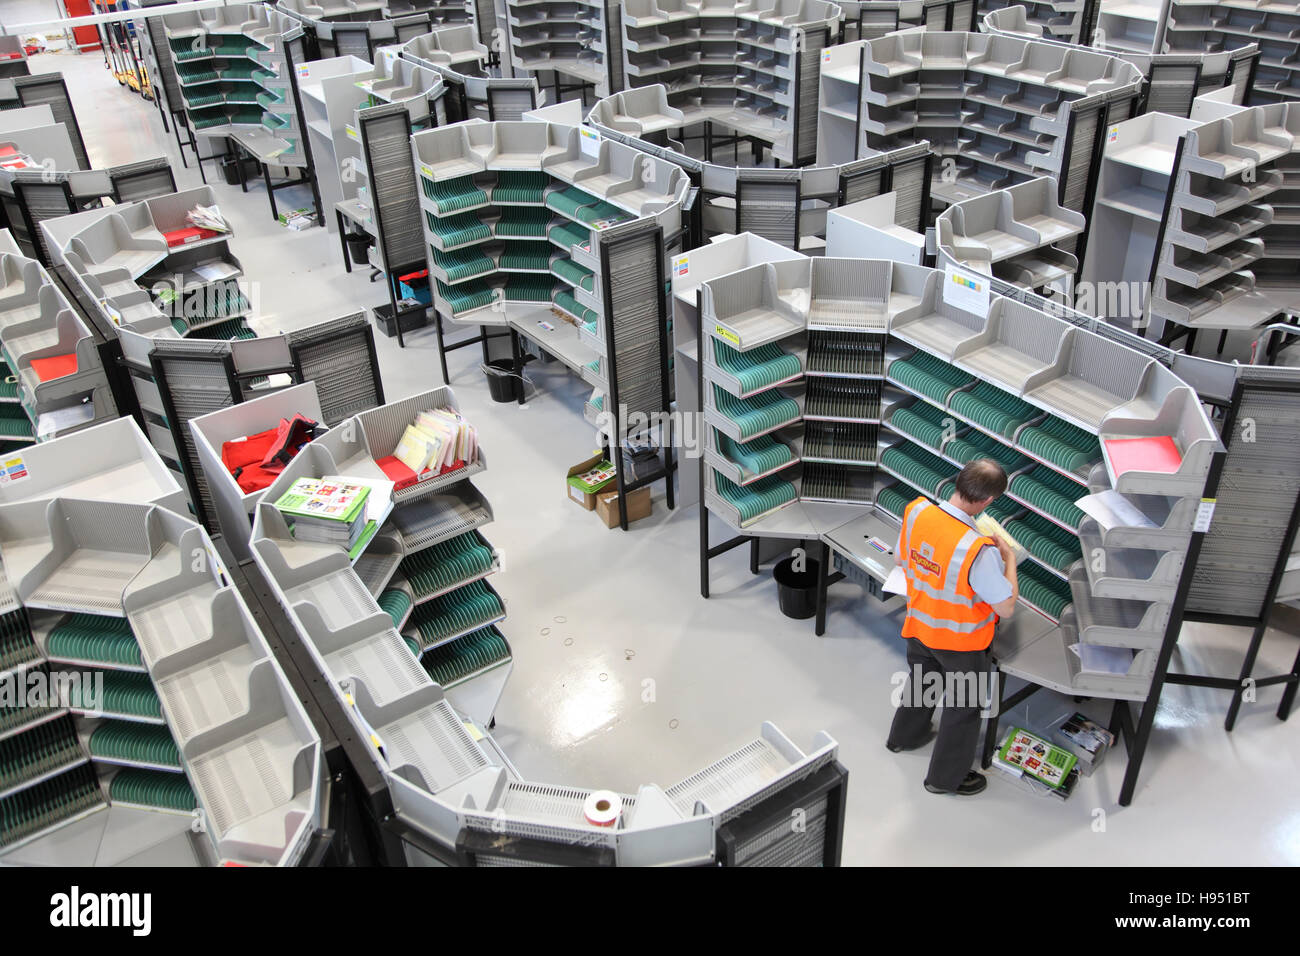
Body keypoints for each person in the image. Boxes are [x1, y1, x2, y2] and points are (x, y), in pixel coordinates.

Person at [885, 458, 1019, 796]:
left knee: (923, 682)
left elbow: (901, 559)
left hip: (919, 625)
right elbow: (1006, 607)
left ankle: (904, 737)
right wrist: (1010, 561)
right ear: (988, 501)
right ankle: (945, 779)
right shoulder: (978, 550)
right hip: (961, 643)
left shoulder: (917, 512)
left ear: (958, 482)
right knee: (963, 708)